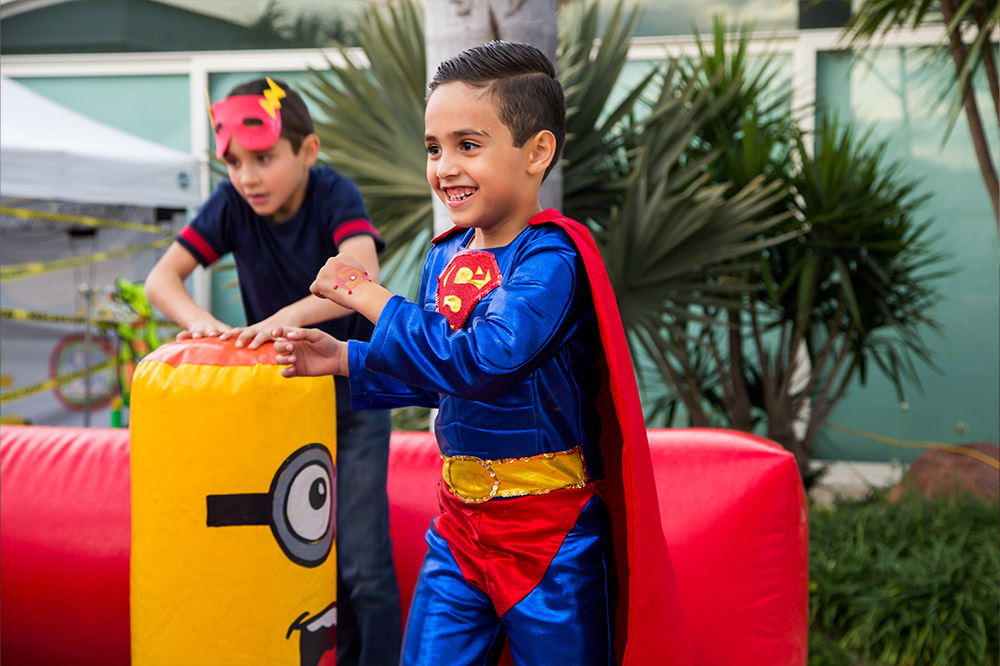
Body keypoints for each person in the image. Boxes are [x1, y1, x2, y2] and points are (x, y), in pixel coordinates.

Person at [272, 43, 691, 666]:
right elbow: (440, 374)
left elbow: (482, 361)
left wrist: (369, 297)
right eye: (433, 149)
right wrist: (344, 359)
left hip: (551, 533)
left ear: (537, 152)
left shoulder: (552, 259)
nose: (445, 167)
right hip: (458, 528)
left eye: (468, 145)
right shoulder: (445, 254)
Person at [144, 77, 401, 666]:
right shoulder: (232, 204)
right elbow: (162, 279)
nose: (247, 177)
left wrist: (286, 316)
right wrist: (203, 325)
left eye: (263, 159)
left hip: (352, 400)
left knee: (362, 563)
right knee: (303, 556)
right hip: (283, 407)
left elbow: (361, 274)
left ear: (307, 151)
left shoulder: (333, 193)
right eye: (234, 162)